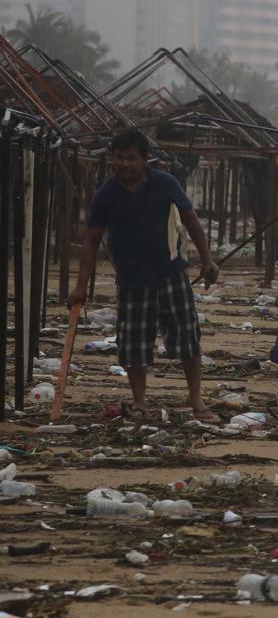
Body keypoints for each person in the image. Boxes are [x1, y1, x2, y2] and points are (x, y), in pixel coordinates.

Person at [69, 129, 220, 420]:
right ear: (113, 159)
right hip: (132, 281)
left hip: (170, 274)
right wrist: (80, 287)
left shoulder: (165, 184)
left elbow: (191, 222)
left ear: (144, 159)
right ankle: (140, 402)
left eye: (131, 158)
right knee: (134, 344)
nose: (125, 164)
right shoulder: (107, 195)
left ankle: (197, 401)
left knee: (187, 338)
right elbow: (91, 241)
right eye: (119, 158)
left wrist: (207, 260)